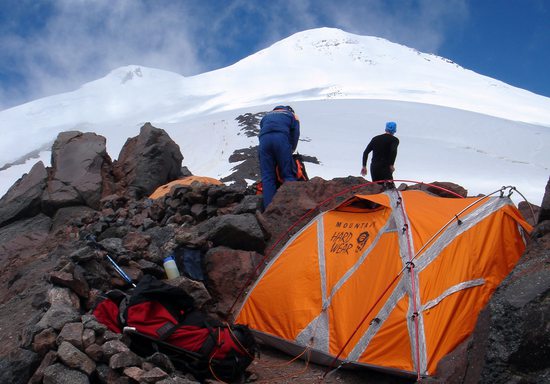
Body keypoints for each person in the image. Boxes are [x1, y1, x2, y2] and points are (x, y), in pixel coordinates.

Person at [258, 105, 300, 208]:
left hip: (264, 142)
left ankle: (269, 211)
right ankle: (292, 208)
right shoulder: (292, 115)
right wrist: (291, 150)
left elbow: (263, 131)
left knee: (268, 177)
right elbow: (295, 134)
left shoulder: (266, 116)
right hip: (281, 139)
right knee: (288, 175)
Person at [361, 121, 399, 188]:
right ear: (394, 130)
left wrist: (364, 166)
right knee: (390, 188)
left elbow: (366, 152)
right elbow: (393, 151)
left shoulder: (375, 139)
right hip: (385, 167)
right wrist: (391, 165)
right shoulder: (394, 140)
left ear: (386, 129)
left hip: (374, 167)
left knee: (377, 188)